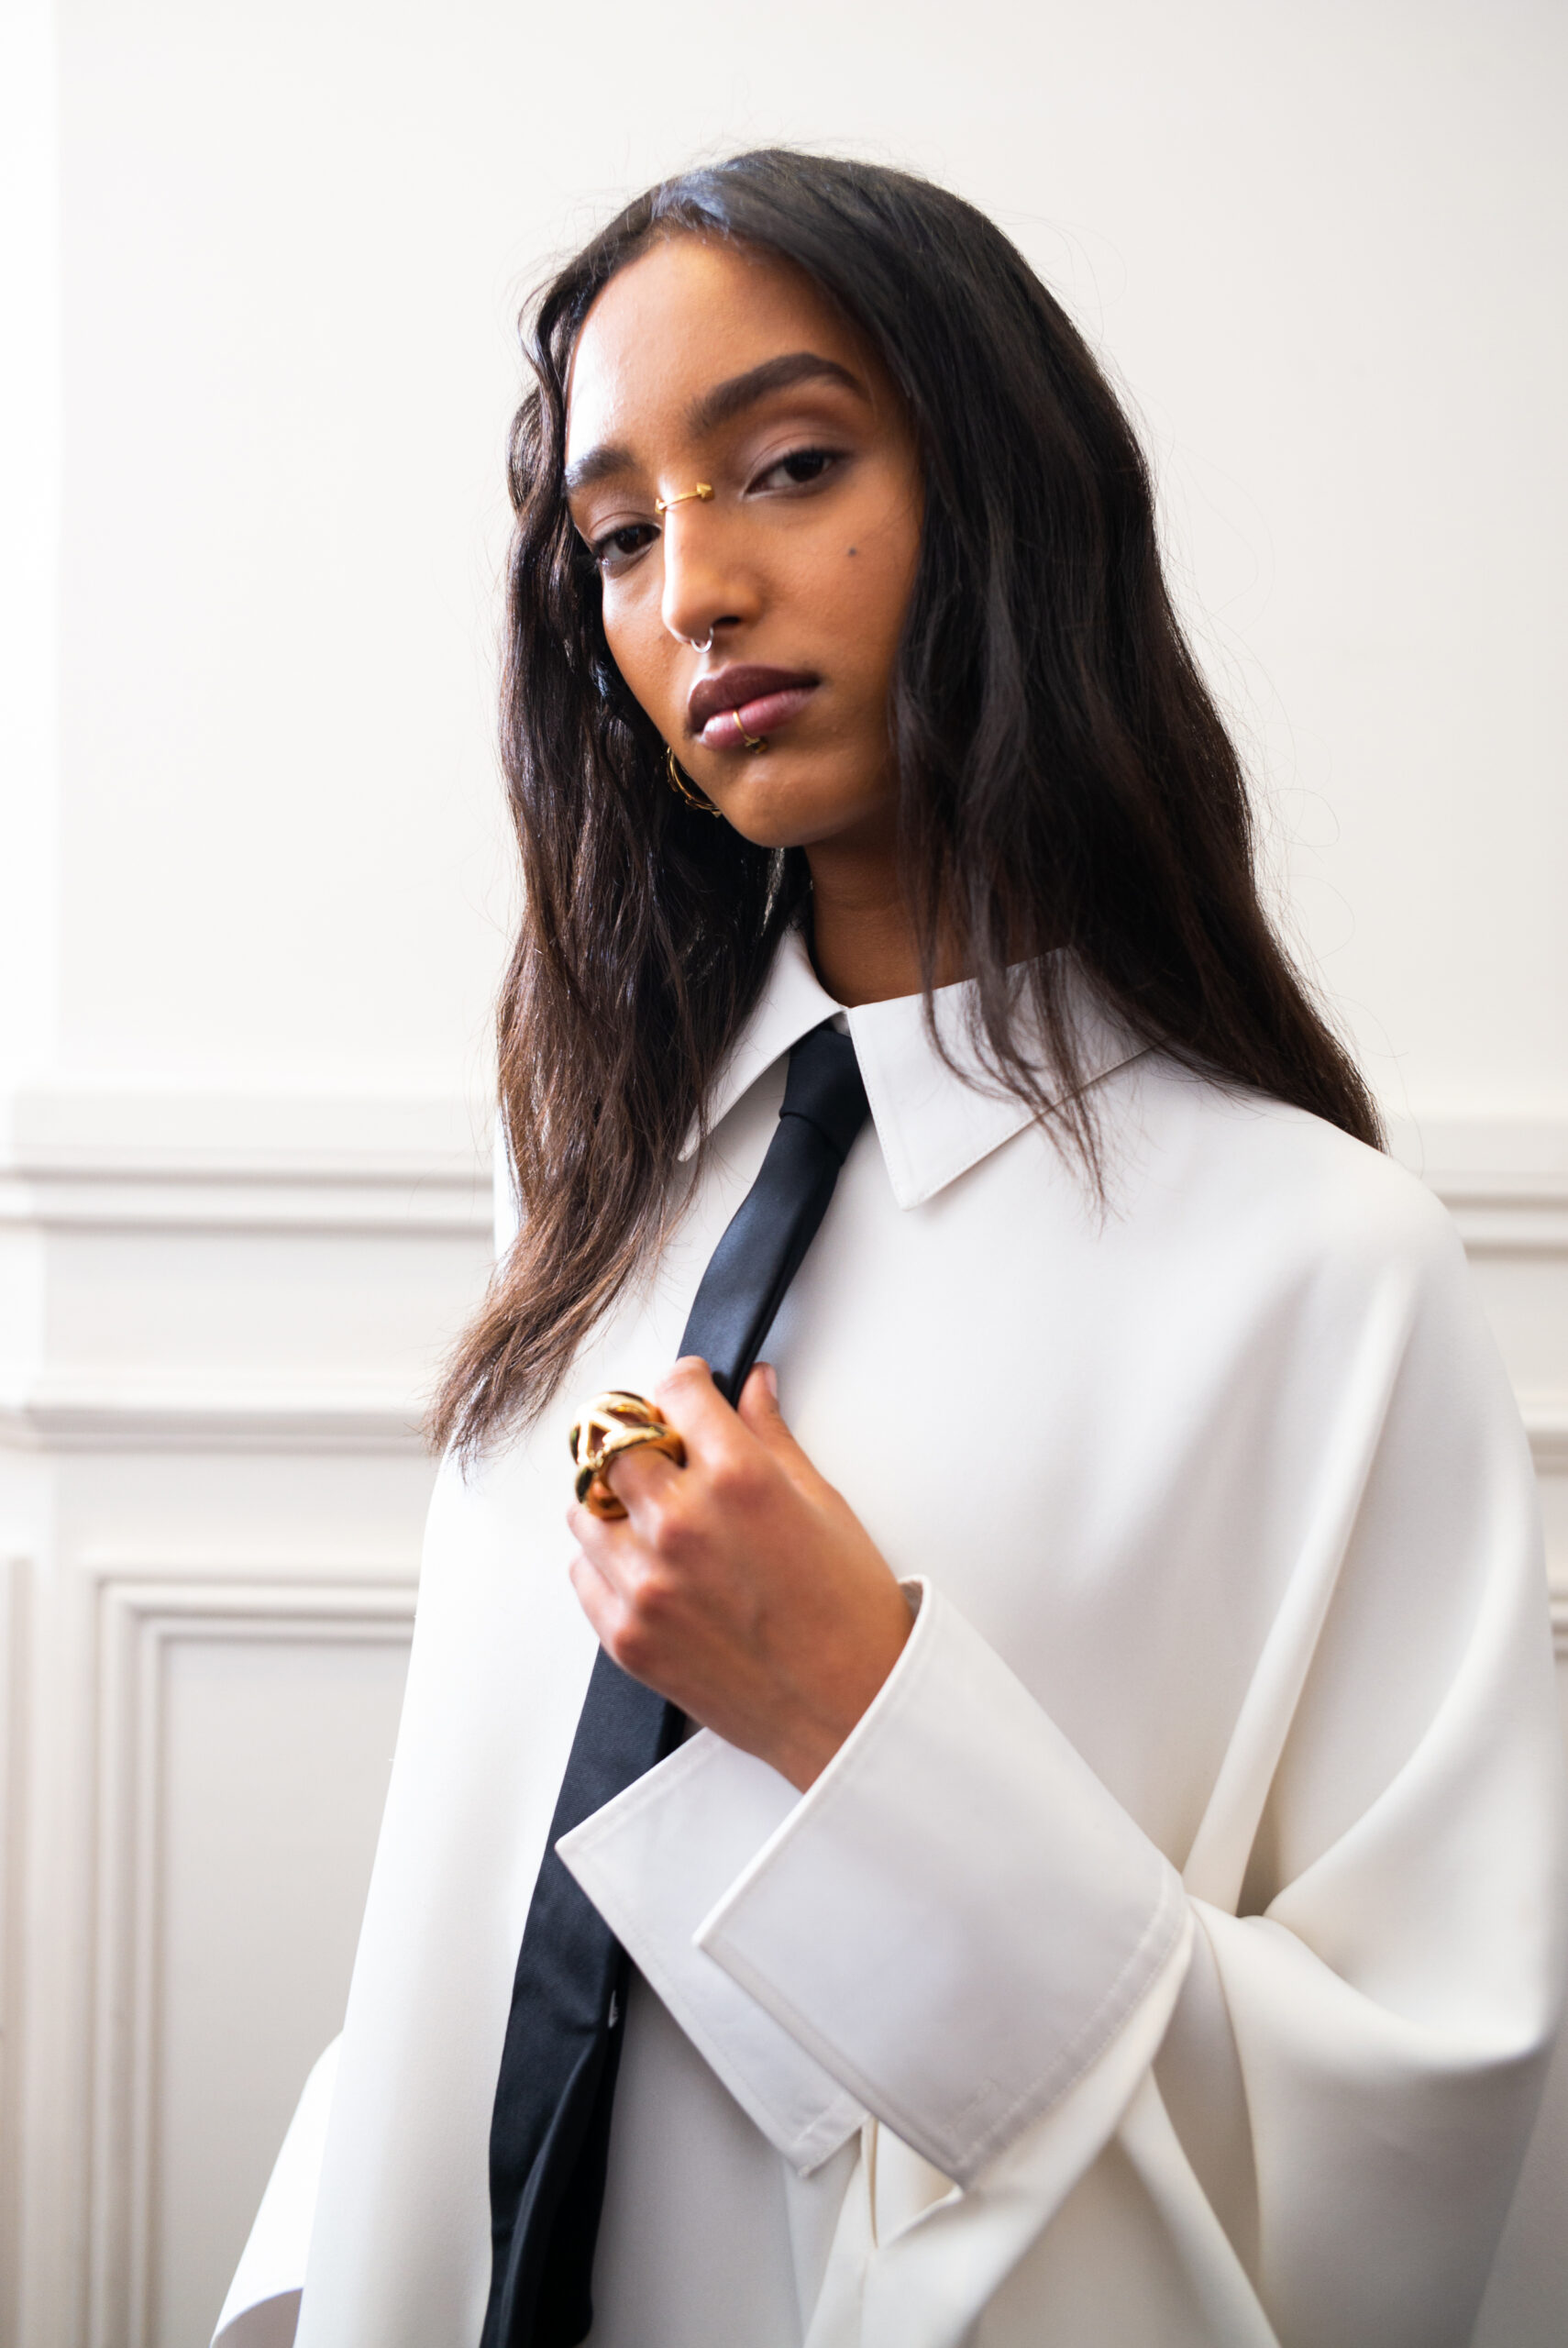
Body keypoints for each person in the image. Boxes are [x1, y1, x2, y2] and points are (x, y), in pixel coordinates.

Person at [215, 150, 1565, 2348]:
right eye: (619, 537)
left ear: (1007, 494)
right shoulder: (589, 1190)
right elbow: (461, 1860)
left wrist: (859, 1711)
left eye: (790, 464)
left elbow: (1412, 2146)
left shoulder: (1327, 1270)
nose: (696, 589)